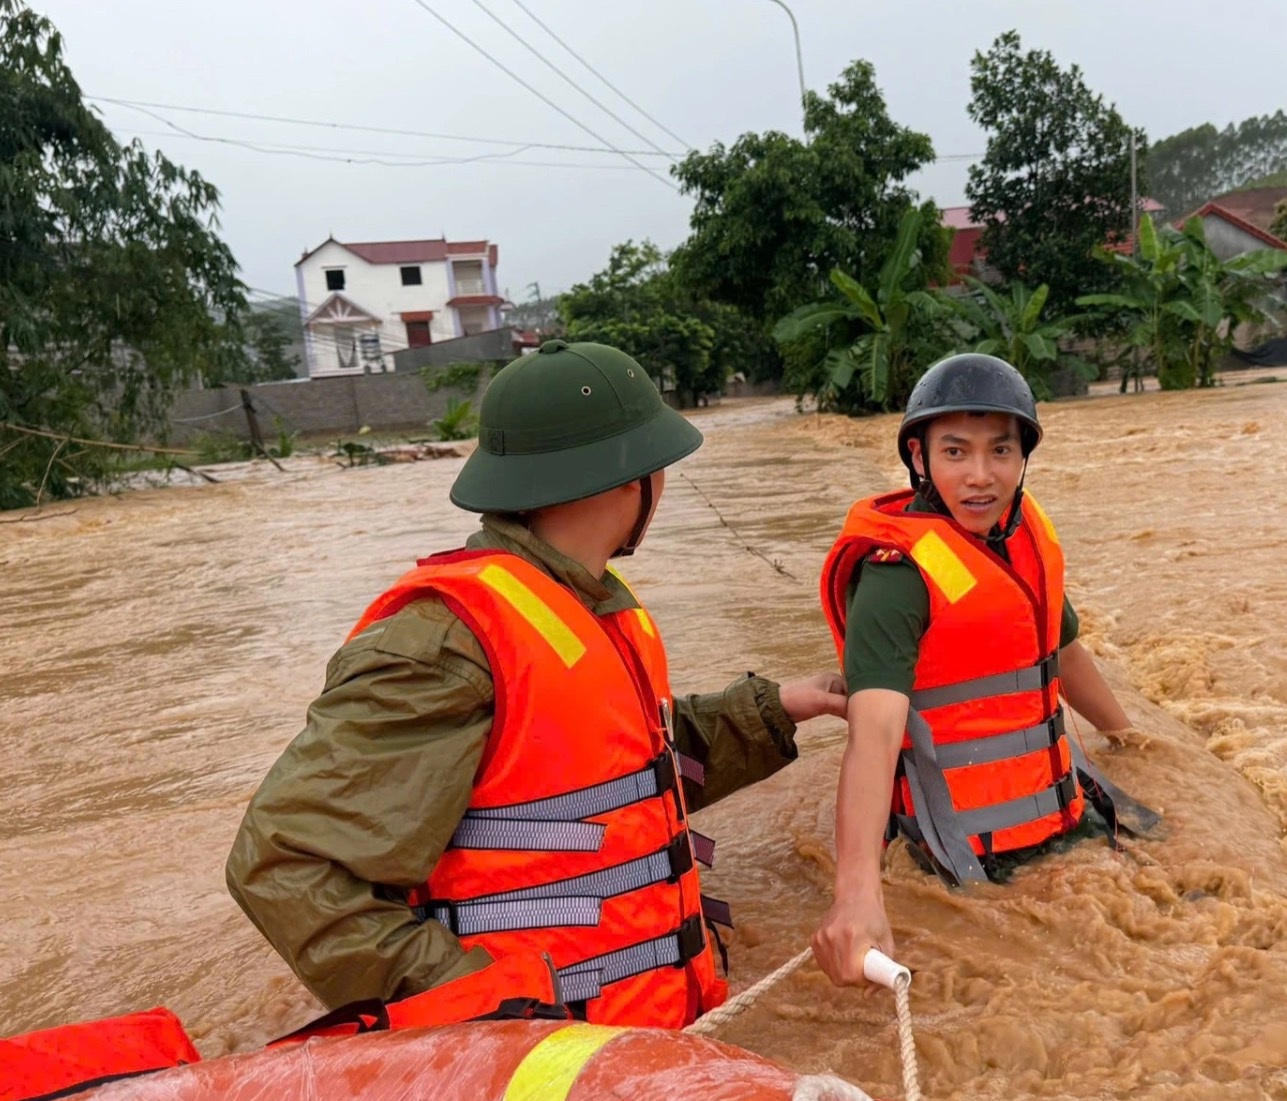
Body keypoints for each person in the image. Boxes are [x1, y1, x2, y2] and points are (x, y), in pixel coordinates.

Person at [227, 340, 847, 1029]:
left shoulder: (589, 601)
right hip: (542, 1066)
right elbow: (288, 866)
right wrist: (488, 1012)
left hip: (636, 1044)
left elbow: (626, 777)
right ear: (626, 479)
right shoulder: (446, 639)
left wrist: (783, 706)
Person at [811, 354, 1162, 985]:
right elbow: (874, 736)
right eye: (955, 452)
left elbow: (1063, 654)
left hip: (1062, 811)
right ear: (919, 458)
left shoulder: (1022, 536)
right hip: (961, 852)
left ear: (1023, 457)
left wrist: (1127, 738)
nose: (981, 476)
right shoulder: (897, 577)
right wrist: (856, 893)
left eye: (1001, 451)